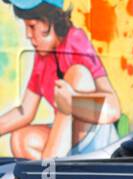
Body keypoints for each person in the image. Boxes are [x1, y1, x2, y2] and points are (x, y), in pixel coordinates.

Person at [0, 0, 121, 159]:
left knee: (76, 75)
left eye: (32, 26)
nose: (28, 35)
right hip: (68, 142)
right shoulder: (43, 56)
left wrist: (72, 102)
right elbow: (25, 112)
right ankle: (56, 170)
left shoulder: (75, 40)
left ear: (51, 21)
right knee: (19, 139)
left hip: (94, 142)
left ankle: (50, 174)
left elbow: (113, 109)